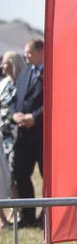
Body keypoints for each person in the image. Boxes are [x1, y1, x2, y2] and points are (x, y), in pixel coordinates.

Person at [11, 39, 45, 227]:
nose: (25, 56)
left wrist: (34, 117)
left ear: (40, 52)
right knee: (21, 174)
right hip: (23, 137)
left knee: (46, 177)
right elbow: (18, 99)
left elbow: (53, 102)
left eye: (29, 52)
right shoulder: (25, 73)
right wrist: (15, 114)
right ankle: (28, 215)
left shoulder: (51, 73)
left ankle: (46, 216)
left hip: (42, 137)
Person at [0, 51, 25, 228]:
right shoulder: (3, 84)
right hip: (2, 136)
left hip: (16, 135)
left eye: (5, 63)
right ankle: (4, 216)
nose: (2, 66)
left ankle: (19, 211)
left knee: (13, 175)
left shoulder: (22, 83)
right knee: (4, 175)